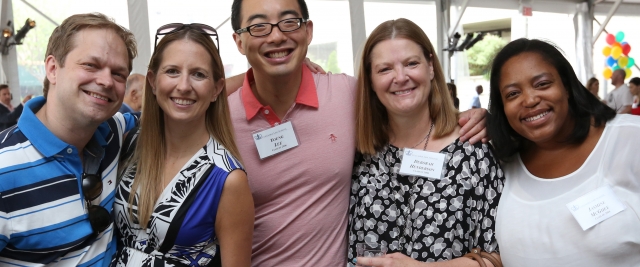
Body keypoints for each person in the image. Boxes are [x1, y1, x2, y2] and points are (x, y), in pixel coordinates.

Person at [228, 0, 488, 265]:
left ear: (307, 31)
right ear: (238, 41)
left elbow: (495, 253)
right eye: (259, 26)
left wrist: (484, 119)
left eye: (288, 22)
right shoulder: (221, 119)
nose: (276, 35)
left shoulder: (344, 95)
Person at [349, 18, 503, 267]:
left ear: (431, 67)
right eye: (384, 69)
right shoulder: (358, 153)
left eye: (411, 63)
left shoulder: (473, 151)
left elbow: (498, 255)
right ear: (370, 80)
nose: (400, 77)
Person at [0, 13, 138, 266]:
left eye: (119, 74)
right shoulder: (4, 169)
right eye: (90, 65)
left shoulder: (112, 130)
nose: (106, 81)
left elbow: (170, 109)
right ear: (53, 68)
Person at [487, 38, 640, 266]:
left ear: (567, 87)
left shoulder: (629, 138)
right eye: (512, 94)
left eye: (542, 84)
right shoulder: (500, 163)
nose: (529, 100)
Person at [113, 23, 253, 266]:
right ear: (153, 82)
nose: (184, 86)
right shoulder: (129, 143)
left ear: (216, 89)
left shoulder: (227, 178)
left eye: (198, 74)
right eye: (172, 71)